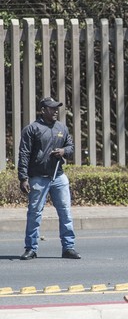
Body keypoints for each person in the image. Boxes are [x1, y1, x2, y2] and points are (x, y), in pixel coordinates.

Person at [18, 97, 80, 260]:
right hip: (38, 178)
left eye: (56, 108)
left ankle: (68, 247)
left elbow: (71, 147)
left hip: (59, 177)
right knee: (35, 214)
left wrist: (64, 151)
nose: (55, 111)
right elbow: (24, 154)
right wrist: (23, 178)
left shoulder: (62, 128)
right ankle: (31, 248)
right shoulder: (32, 129)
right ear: (43, 110)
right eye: (52, 108)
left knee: (65, 212)